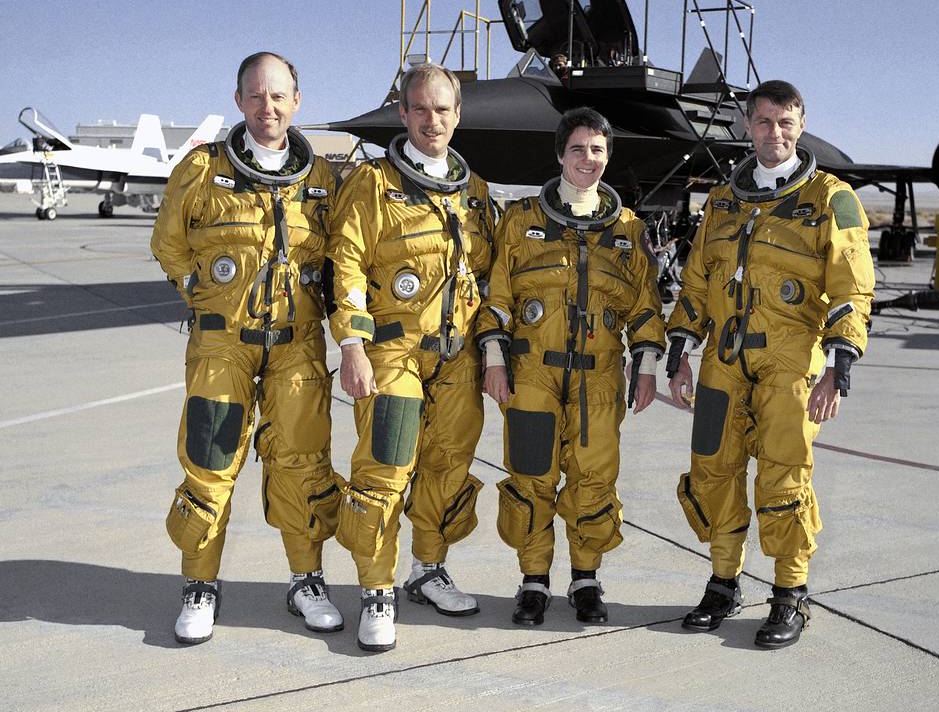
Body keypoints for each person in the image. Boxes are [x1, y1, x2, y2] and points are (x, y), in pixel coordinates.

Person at [666, 80, 874, 648]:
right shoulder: (723, 200)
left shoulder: (831, 198)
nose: (774, 133)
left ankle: (790, 593)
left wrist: (838, 366)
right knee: (713, 469)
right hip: (721, 361)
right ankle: (723, 581)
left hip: (791, 362)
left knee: (785, 474)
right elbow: (695, 279)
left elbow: (851, 290)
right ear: (748, 126)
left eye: (784, 123)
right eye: (763, 122)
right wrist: (679, 351)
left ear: (800, 124)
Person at [152, 52, 344, 645]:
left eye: (279, 95)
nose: (268, 107)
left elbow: (344, 257)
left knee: (303, 464)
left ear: (297, 101)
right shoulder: (201, 170)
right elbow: (168, 242)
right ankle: (200, 586)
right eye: (256, 96)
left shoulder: (323, 181)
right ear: (239, 101)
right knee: (209, 467)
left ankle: (306, 581)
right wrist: (201, 296)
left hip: (298, 348)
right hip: (222, 347)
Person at [327, 62, 496, 652]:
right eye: (420, 109)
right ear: (403, 114)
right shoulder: (372, 184)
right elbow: (344, 263)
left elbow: (487, 274)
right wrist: (351, 343)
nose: (432, 120)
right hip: (391, 352)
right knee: (386, 467)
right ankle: (378, 590)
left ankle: (428, 568)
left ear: (457, 115)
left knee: (448, 465)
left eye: (442, 109)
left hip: (456, 357)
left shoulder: (473, 192)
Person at [480, 107, 665, 626]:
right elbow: (497, 296)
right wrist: (494, 360)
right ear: (560, 154)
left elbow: (645, 305)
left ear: (609, 156)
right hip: (532, 375)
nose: (589, 159)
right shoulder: (521, 220)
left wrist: (646, 366)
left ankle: (586, 578)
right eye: (579, 149)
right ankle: (533, 581)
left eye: (598, 149)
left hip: (600, 379)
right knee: (531, 478)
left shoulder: (628, 228)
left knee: (593, 481)